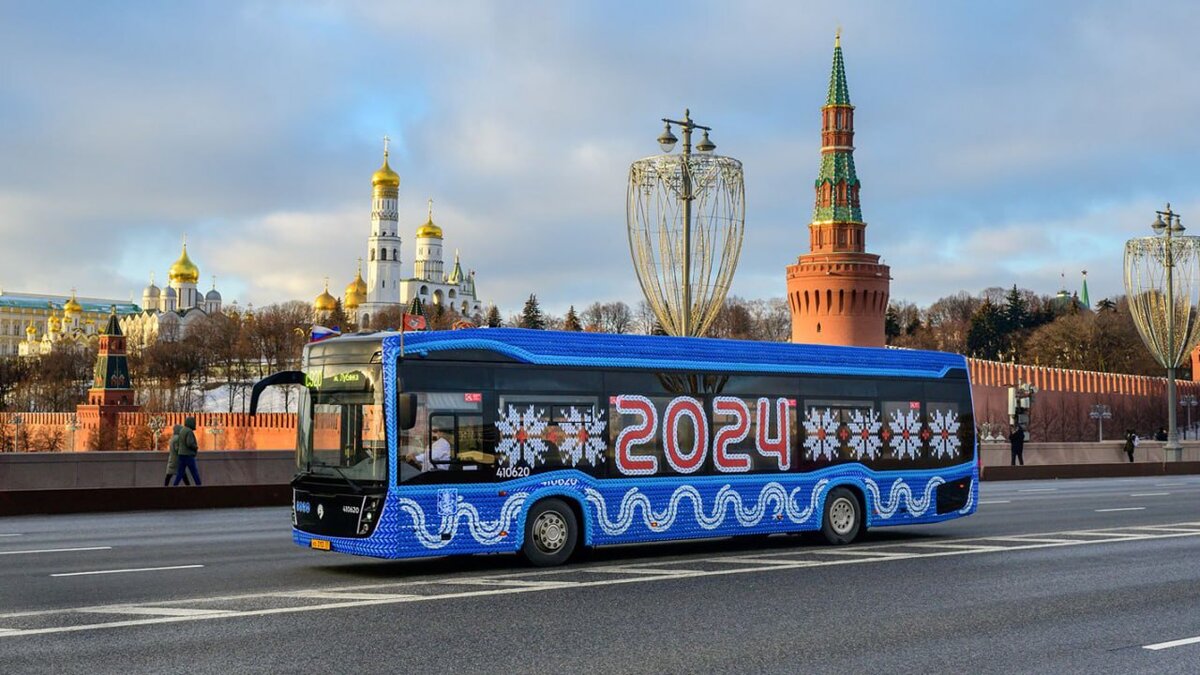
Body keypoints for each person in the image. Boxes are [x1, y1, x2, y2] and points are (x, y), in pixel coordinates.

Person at [173, 416, 201, 486]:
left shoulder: (182, 430)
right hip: (188, 455)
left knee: (180, 472)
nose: (195, 424)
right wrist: (195, 447)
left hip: (181, 455)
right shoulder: (189, 431)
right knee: (194, 472)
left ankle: (174, 486)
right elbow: (189, 443)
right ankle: (199, 486)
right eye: (194, 423)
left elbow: (179, 443)